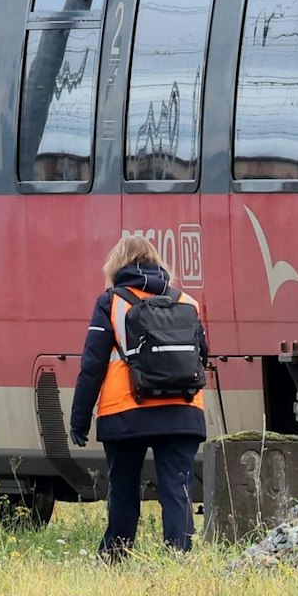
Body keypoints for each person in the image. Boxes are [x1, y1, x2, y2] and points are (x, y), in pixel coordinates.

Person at [68, 236, 208, 559]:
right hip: (182, 410)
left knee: (124, 491)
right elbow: (203, 355)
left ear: (116, 265)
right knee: (177, 490)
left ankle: (116, 556)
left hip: (126, 412)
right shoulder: (186, 301)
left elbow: (92, 366)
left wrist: (78, 421)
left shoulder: (112, 302)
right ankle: (179, 558)